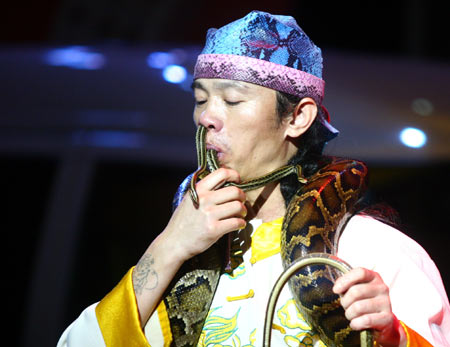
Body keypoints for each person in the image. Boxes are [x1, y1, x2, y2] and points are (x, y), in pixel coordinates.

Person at [57, 11, 450, 347]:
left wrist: (394, 337)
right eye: (200, 99)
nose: (205, 117)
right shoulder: (192, 243)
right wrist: (169, 246)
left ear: (297, 117)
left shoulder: (372, 251)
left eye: (231, 100)